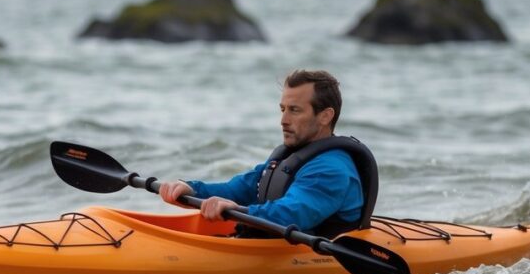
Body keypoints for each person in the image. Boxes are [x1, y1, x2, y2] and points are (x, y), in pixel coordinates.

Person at [159, 69, 379, 238]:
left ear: (325, 116)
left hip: (312, 256)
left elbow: (291, 213)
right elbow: (238, 188)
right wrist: (191, 189)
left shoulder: (331, 169)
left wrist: (239, 211)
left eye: (295, 110)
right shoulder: (289, 158)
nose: (283, 120)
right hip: (273, 246)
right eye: (283, 109)